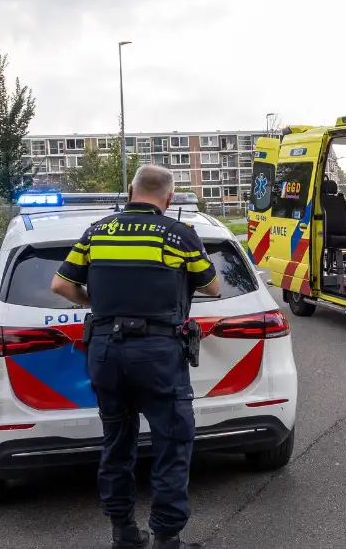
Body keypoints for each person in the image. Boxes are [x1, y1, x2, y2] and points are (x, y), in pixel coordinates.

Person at [51, 165, 220, 549]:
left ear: (130, 190)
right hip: (158, 354)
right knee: (172, 442)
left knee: (117, 441)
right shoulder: (180, 235)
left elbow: (60, 283)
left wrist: (100, 304)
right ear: (169, 198)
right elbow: (212, 286)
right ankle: (165, 538)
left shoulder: (97, 231)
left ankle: (123, 532)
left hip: (106, 352)